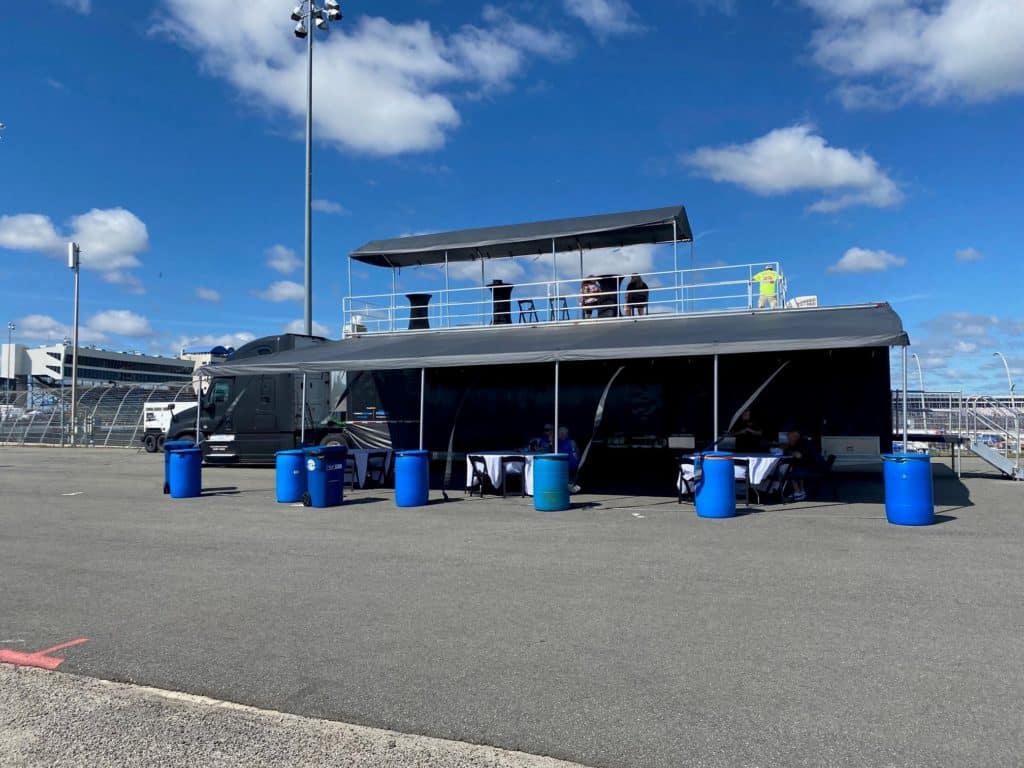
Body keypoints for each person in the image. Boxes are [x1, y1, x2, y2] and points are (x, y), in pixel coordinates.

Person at [784, 428, 825, 501]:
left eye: (789, 436)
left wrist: (790, 449)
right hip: (814, 467)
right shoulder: (803, 441)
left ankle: (797, 492)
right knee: (797, 468)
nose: (788, 438)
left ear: (794, 435)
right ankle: (801, 492)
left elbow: (798, 455)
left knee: (791, 473)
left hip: (814, 469)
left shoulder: (801, 443)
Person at [557, 426, 581, 493]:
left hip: (567, 463)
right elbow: (577, 452)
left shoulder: (559, 443)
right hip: (573, 462)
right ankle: (570, 484)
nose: (558, 435)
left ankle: (567, 486)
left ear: (562, 434)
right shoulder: (572, 441)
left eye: (559, 433)